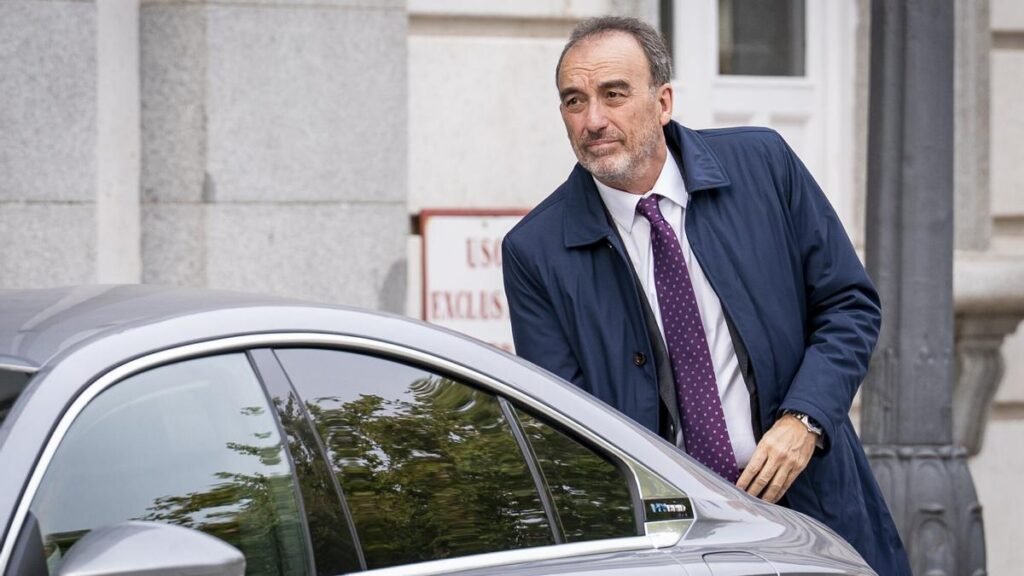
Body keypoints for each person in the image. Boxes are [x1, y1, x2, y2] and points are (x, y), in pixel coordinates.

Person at [502, 16, 910, 576]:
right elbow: (566, 429)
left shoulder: (764, 165)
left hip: (813, 507)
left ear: (663, 102)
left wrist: (805, 420)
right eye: (575, 101)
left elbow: (848, 305)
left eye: (614, 94)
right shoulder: (535, 251)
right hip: (665, 546)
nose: (593, 120)